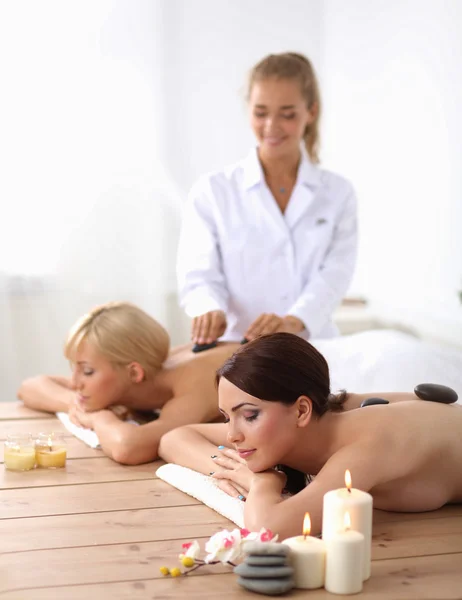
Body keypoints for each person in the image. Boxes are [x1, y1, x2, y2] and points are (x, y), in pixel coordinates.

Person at [159, 333, 462, 539]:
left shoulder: (363, 445)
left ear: (302, 410)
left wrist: (260, 482)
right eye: (226, 417)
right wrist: (227, 468)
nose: (232, 435)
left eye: (249, 415)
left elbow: (268, 528)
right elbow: (175, 438)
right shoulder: (320, 416)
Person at [177, 52, 357, 346]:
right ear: (248, 110)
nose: (271, 125)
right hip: (238, 348)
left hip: (315, 346)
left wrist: (294, 320)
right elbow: (198, 275)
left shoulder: (337, 193)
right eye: (261, 113)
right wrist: (209, 308)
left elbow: (336, 274)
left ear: (310, 112)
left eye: (287, 114)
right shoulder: (212, 191)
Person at [17, 302, 240, 465]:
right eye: (74, 367)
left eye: (87, 371)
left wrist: (98, 417)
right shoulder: (140, 371)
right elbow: (31, 386)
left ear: (134, 371)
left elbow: (128, 447)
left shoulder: (192, 387)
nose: (75, 383)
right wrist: (77, 405)